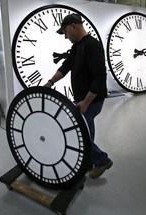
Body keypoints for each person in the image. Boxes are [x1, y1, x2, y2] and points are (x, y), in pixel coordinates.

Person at [44, 13, 113, 179]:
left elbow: (99, 77)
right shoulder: (77, 46)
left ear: (74, 26)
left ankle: (102, 160)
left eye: (66, 32)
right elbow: (66, 65)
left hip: (92, 100)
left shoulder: (92, 45)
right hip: (83, 99)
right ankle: (88, 162)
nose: (66, 37)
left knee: (79, 132)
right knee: (87, 129)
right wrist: (50, 82)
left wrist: (86, 102)